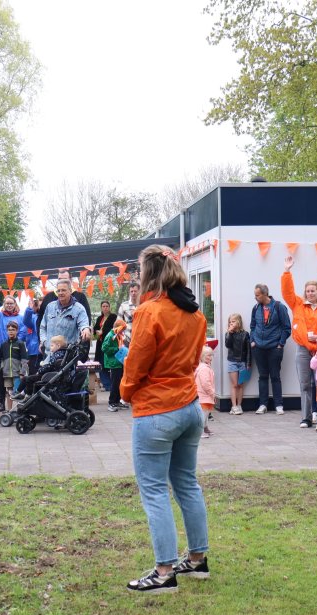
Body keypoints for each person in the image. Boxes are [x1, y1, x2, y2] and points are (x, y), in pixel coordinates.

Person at [120, 244, 208, 594]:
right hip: (189, 406)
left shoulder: (150, 312)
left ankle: (164, 570)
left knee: (154, 490)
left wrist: (126, 392)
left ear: (149, 274)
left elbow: (136, 365)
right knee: (187, 483)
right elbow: (191, 361)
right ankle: (198, 559)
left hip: (157, 410)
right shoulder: (195, 314)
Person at [282, 255, 317, 428]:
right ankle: (306, 417)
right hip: (302, 350)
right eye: (307, 291)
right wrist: (287, 271)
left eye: (313, 290)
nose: (310, 293)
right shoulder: (298, 304)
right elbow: (287, 292)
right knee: (305, 384)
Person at [248, 283, 290, 415]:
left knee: (275, 376)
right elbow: (253, 326)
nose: (255, 297)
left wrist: (280, 344)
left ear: (265, 294)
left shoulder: (279, 307)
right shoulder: (255, 308)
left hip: (274, 348)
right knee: (262, 376)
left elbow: (286, 327)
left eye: (257, 295)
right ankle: (263, 404)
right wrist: (252, 341)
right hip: (258, 348)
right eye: (255, 295)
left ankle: (279, 405)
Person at [38, 271, 91, 345]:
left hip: (69, 353)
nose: (60, 293)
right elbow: (42, 326)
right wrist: (43, 342)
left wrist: (85, 329)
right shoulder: (49, 306)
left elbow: (84, 323)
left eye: (63, 290)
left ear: (70, 291)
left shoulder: (79, 307)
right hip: (50, 352)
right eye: (58, 291)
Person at [0, 321, 28, 415]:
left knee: (18, 393)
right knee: (9, 392)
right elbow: (1, 358)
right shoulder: (3, 344)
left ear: (17, 331)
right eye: (9, 330)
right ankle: (10, 411)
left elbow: (24, 359)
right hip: (6, 373)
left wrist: (22, 372)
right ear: (6, 331)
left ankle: (20, 410)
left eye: (13, 330)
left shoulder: (20, 343)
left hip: (17, 373)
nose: (11, 332)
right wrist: (2, 368)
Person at [223, 313, 251, 414]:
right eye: (230, 322)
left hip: (243, 362)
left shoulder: (245, 334)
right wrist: (230, 333)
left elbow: (248, 350)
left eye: (233, 321)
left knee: (240, 385)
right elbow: (227, 345)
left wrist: (248, 363)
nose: (231, 323)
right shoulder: (228, 334)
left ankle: (239, 405)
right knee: (234, 384)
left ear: (238, 322)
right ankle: (233, 406)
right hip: (232, 361)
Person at [101, 319, 128, 412]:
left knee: (119, 382)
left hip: (119, 362)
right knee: (114, 383)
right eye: (122, 329)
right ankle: (112, 402)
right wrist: (117, 348)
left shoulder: (117, 335)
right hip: (113, 363)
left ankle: (117, 401)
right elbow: (104, 348)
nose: (123, 331)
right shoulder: (110, 335)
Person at [92, 301, 118, 389]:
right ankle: (107, 385)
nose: (105, 308)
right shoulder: (99, 318)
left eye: (107, 306)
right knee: (101, 364)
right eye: (103, 306)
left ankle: (113, 384)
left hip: (110, 343)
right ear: (101, 308)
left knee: (111, 364)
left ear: (109, 307)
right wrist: (96, 332)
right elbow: (96, 328)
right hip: (100, 344)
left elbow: (115, 329)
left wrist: (103, 332)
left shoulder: (114, 317)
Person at [196, 346, 217, 438]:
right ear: (202, 356)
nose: (210, 357)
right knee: (203, 414)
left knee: (206, 413)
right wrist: (212, 393)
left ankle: (205, 428)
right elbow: (205, 383)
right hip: (204, 396)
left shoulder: (203, 367)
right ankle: (200, 431)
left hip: (204, 396)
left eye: (211, 355)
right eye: (208, 355)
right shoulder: (204, 368)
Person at [21, 295, 43, 375]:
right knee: (33, 376)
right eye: (40, 305)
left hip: (47, 351)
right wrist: (30, 308)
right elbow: (26, 321)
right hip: (34, 352)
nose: (41, 307)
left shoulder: (50, 317)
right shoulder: (34, 317)